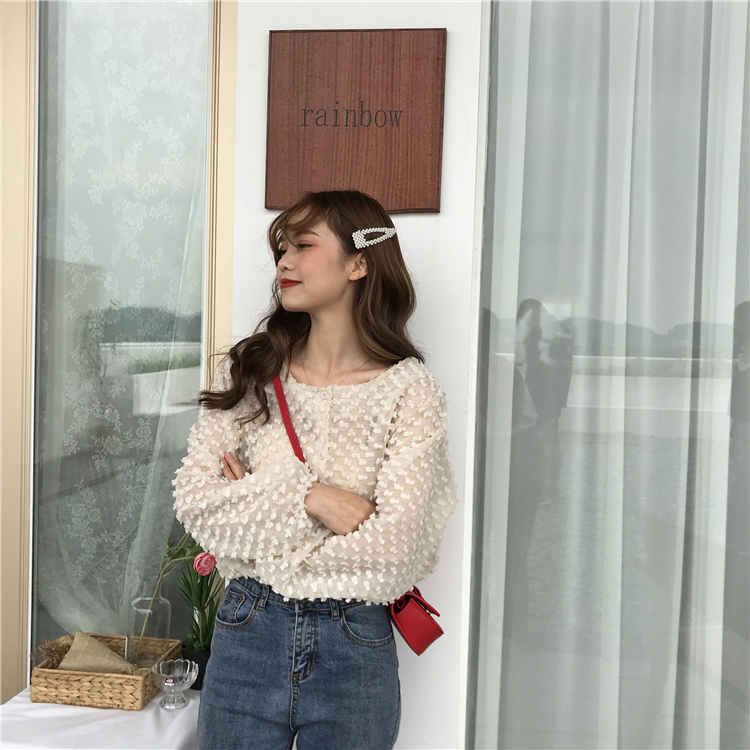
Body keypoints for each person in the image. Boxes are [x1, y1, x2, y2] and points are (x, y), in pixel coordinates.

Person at [172, 189, 460, 750]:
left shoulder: (411, 391)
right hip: (247, 630)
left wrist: (254, 510)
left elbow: (393, 548)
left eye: (303, 245)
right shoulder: (251, 370)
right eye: (282, 248)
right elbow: (196, 503)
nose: (284, 261)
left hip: (354, 644)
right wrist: (312, 498)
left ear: (359, 264)